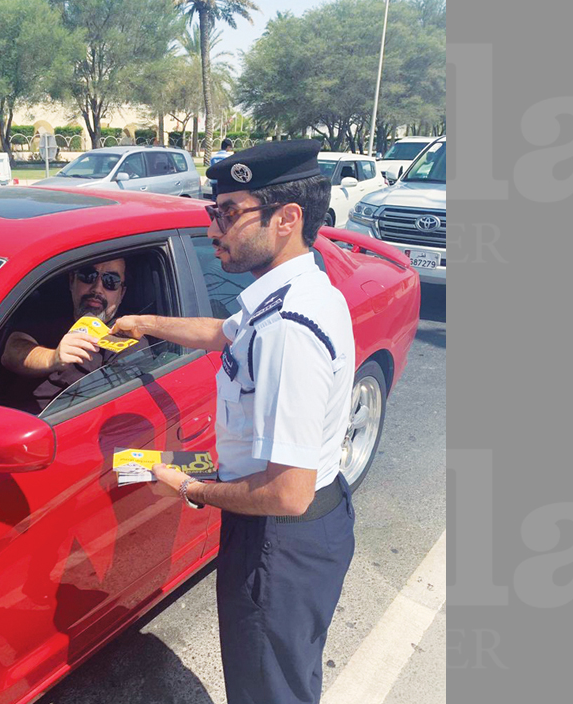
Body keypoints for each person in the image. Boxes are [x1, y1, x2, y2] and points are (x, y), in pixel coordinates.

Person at [111, 140, 356, 704]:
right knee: (286, 672)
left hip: (279, 540)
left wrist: (190, 486)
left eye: (227, 213)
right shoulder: (291, 290)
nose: (213, 230)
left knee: (267, 687)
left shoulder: (287, 331)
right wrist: (145, 322)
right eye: (211, 212)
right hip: (304, 527)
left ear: (287, 218)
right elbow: (223, 332)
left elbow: (287, 493)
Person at [0, 258, 128, 412]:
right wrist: (53, 358)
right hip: (2, 411)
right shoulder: (49, 310)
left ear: (121, 294)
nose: (97, 288)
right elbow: (11, 353)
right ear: (72, 281)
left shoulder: (126, 338)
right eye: (88, 275)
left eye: (111, 281)